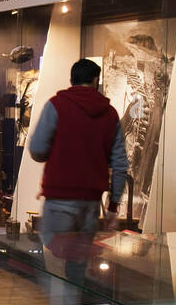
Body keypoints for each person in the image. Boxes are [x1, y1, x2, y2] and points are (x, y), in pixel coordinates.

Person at [28, 58, 128, 244]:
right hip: (90, 203)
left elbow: (37, 150)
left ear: (71, 80)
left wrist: (58, 154)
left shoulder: (56, 105)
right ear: (96, 80)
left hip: (58, 199)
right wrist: (113, 206)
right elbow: (120, 164)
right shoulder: (110, 114)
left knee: (54, 261)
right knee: (80, 262)